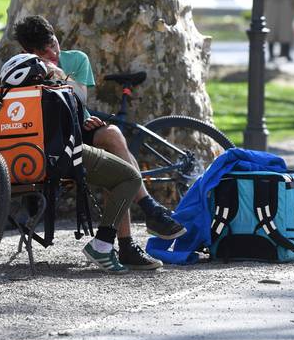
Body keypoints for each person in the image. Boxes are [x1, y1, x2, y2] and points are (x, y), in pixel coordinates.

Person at [13, 15, 187, 269]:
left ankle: (143, 220)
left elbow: (80, 97)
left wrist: (61, 76)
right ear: (29, 52)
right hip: (51, 141)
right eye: (44, 51)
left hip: (80, 130)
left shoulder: (76, 59)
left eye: (53, 43)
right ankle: (137, 230)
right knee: (116, 163)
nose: (53, 52)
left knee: (113, 135)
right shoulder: (22, 69)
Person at [0, 53, 146, 274]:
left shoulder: (3, 101)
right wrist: (61, 80)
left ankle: (110, 245)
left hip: (18, 166)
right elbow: (75, 129)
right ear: (39, 74)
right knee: (130, 177)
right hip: (62, 160)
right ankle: (103, 245)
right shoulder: (55, 94)